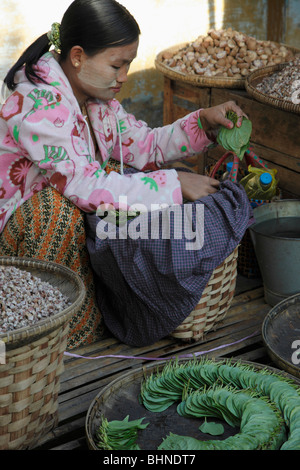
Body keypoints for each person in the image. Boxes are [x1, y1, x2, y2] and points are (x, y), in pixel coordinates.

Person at [0, 0, 251, 349]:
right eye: (117, 65)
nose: (123, 77)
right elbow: (84, 184)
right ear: (77, 57)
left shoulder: (96, 98)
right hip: (17, 233)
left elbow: (143, 145)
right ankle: (54, 331)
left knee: (132, 177)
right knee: (56, 211)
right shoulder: (41, 102)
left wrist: (202, 122)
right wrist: (175, 185)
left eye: (128, 64)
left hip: (72, 212)